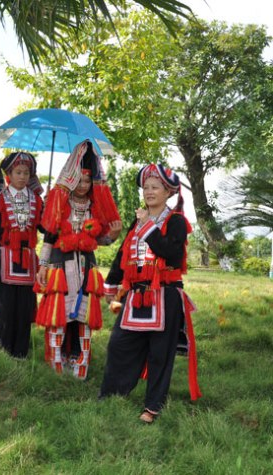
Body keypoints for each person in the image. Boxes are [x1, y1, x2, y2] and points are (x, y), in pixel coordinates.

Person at [99, 163, 201, 423]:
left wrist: (146, 227)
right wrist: (112, 286)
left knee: (159, 354)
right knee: (119, 345)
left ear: (168, 192)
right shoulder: (139, 220)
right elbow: (123, 255)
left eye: (155, 187)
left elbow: (172, 254)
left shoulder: (176, 221)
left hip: (165, 296)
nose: (149, 191)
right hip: (135, 296)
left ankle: (153, 406)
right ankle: (112, 395)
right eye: (146, 187)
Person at [35, 140, 122, 379]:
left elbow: (101, 241)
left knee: (82, 316)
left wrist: (112, 235)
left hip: (87, 268)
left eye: (87, 180)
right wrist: (42, 266)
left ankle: (80, 363)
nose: (83, 185)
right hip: (59, 268)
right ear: (70, 178)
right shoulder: (59, 204)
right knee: (59, 316)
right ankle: (56, 362)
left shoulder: (96, 207)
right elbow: (49, 239)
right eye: (78, 179)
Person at [0, 151, 44, 358]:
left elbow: (44, 228)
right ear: (9, 174)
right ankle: (3, 352)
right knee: (5, 307)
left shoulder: (36, 200)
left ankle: (21, 352)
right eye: (18, 172)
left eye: (26, 172)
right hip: (4, 258)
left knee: (24, 308)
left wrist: (52, 209)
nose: (22, 176)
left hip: (28, 259)